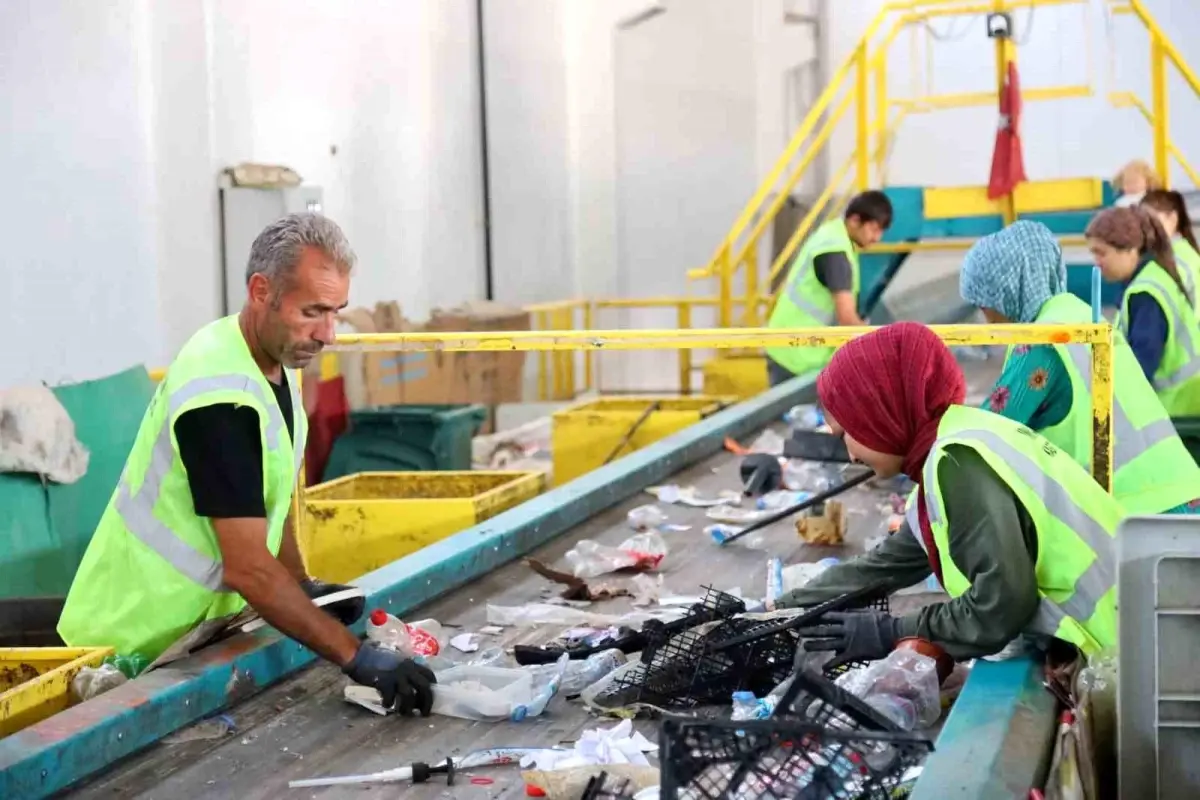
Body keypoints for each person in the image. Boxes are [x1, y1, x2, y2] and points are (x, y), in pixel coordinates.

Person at [59, 213, 436, 716]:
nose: (329, 334)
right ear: (262, 290)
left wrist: (302, 585)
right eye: (314, 312)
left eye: (337, 312)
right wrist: (356, 657)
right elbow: (248, 568)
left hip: (192, 637)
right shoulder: (220, 397)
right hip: (129, 649)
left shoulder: (269, 356)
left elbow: (267, 501)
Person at [780, 323, 1122, 662]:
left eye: (847, 434)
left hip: (1117, 645)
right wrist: (777, 610)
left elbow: (1001, 606)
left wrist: (892, 631)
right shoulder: (954, 443)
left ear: (880, 413)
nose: (851, 455)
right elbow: (882, 567)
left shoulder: (958, 464)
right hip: (1116, 631)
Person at [959, 220, 1200, 514]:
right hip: (1179, 492)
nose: (986, 319)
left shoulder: (1043, 341)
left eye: (984, 303)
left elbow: (987, 434)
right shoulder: (1080, 315)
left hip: (1143, 512)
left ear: (1007, 291)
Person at [764, 191, 893, 386]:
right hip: (796, 354)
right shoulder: (835, 253)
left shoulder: (834, 235)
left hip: (792, 346)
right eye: (874, 229)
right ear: (855, 220)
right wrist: (882, 347)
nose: (877, 238)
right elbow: (847, 318)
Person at [1086, 206, 1200, 416]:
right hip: (1188, 401)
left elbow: (1139, 372)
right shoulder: (1156, 274)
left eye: (1102, 253)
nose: (1097, 262)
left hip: (1173, 413)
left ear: (1131, 249)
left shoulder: (1145, 294)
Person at [1141, 189, 1200, 311]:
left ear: (1173, 218)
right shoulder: (1185, 252)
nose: (1146, 229)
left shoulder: (1179, 260)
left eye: (1152, 222)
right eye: (1142, 222)